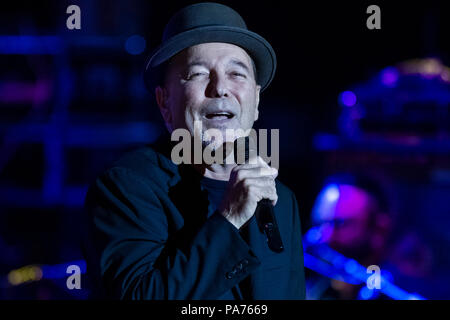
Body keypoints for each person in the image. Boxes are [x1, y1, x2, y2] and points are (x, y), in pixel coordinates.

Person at [83, 2, 305, 300]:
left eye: (237, 74)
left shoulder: (280, 199)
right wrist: (230, 217)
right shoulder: (125, 188)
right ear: (165, 103)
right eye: (197, 74)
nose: (220, 89)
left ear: (256, 102)